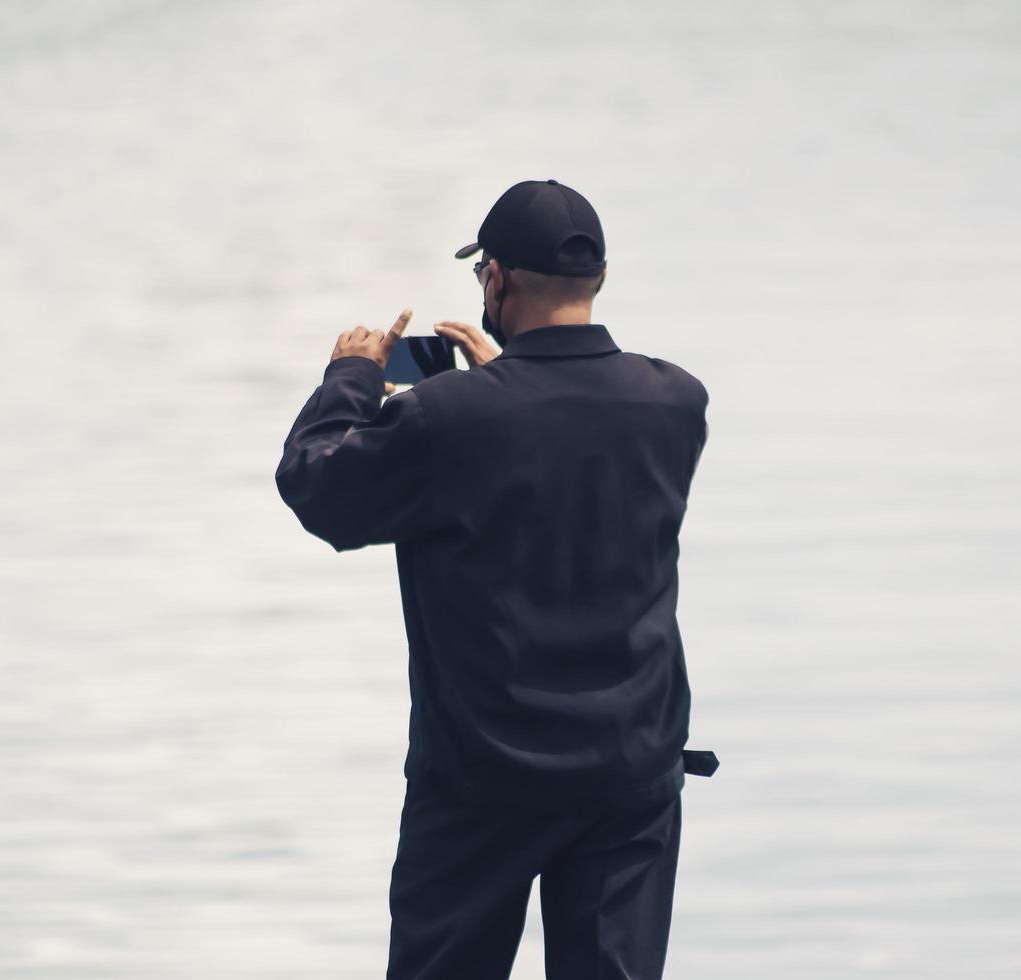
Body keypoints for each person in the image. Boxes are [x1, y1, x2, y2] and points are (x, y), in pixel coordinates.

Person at [274, 179, 718, 980]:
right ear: (602, 281)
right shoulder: (675, 403)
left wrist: (351, 376)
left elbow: (320, 489)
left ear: (495, 279)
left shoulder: (451, 419)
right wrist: (505, 378)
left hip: (485, 782)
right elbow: (559, 437)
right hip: (629, 772)